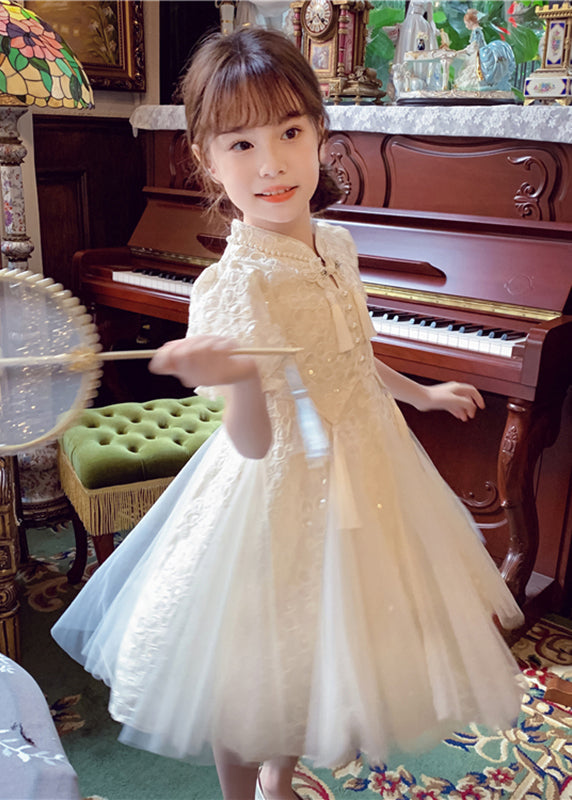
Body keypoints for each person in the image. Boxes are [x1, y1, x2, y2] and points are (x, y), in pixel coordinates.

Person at [52, 28, 526, 800]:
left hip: (367, 464)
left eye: (290, 133)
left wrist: (422, 394)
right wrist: (238, 380)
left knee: (321, 649)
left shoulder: (335, 244)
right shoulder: (233, 287)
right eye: (241, 144)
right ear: (206, 160)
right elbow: (251, 441)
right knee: (253, 664)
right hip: (276, 491)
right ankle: (247, 789)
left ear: (321, 135)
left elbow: (349, 353)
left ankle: (280, 775)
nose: (271, 163)